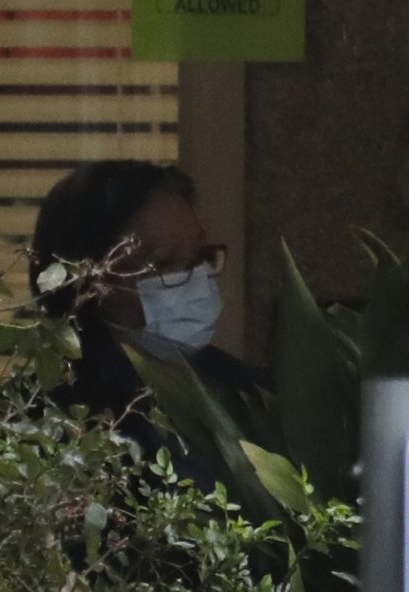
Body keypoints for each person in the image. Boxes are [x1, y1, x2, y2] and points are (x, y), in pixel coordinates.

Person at [29, 160, 259, 457]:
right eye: (162, 263)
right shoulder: (47, 426)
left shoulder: (245, 393)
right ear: (89, 284)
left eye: (198, 257)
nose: (195, 279)